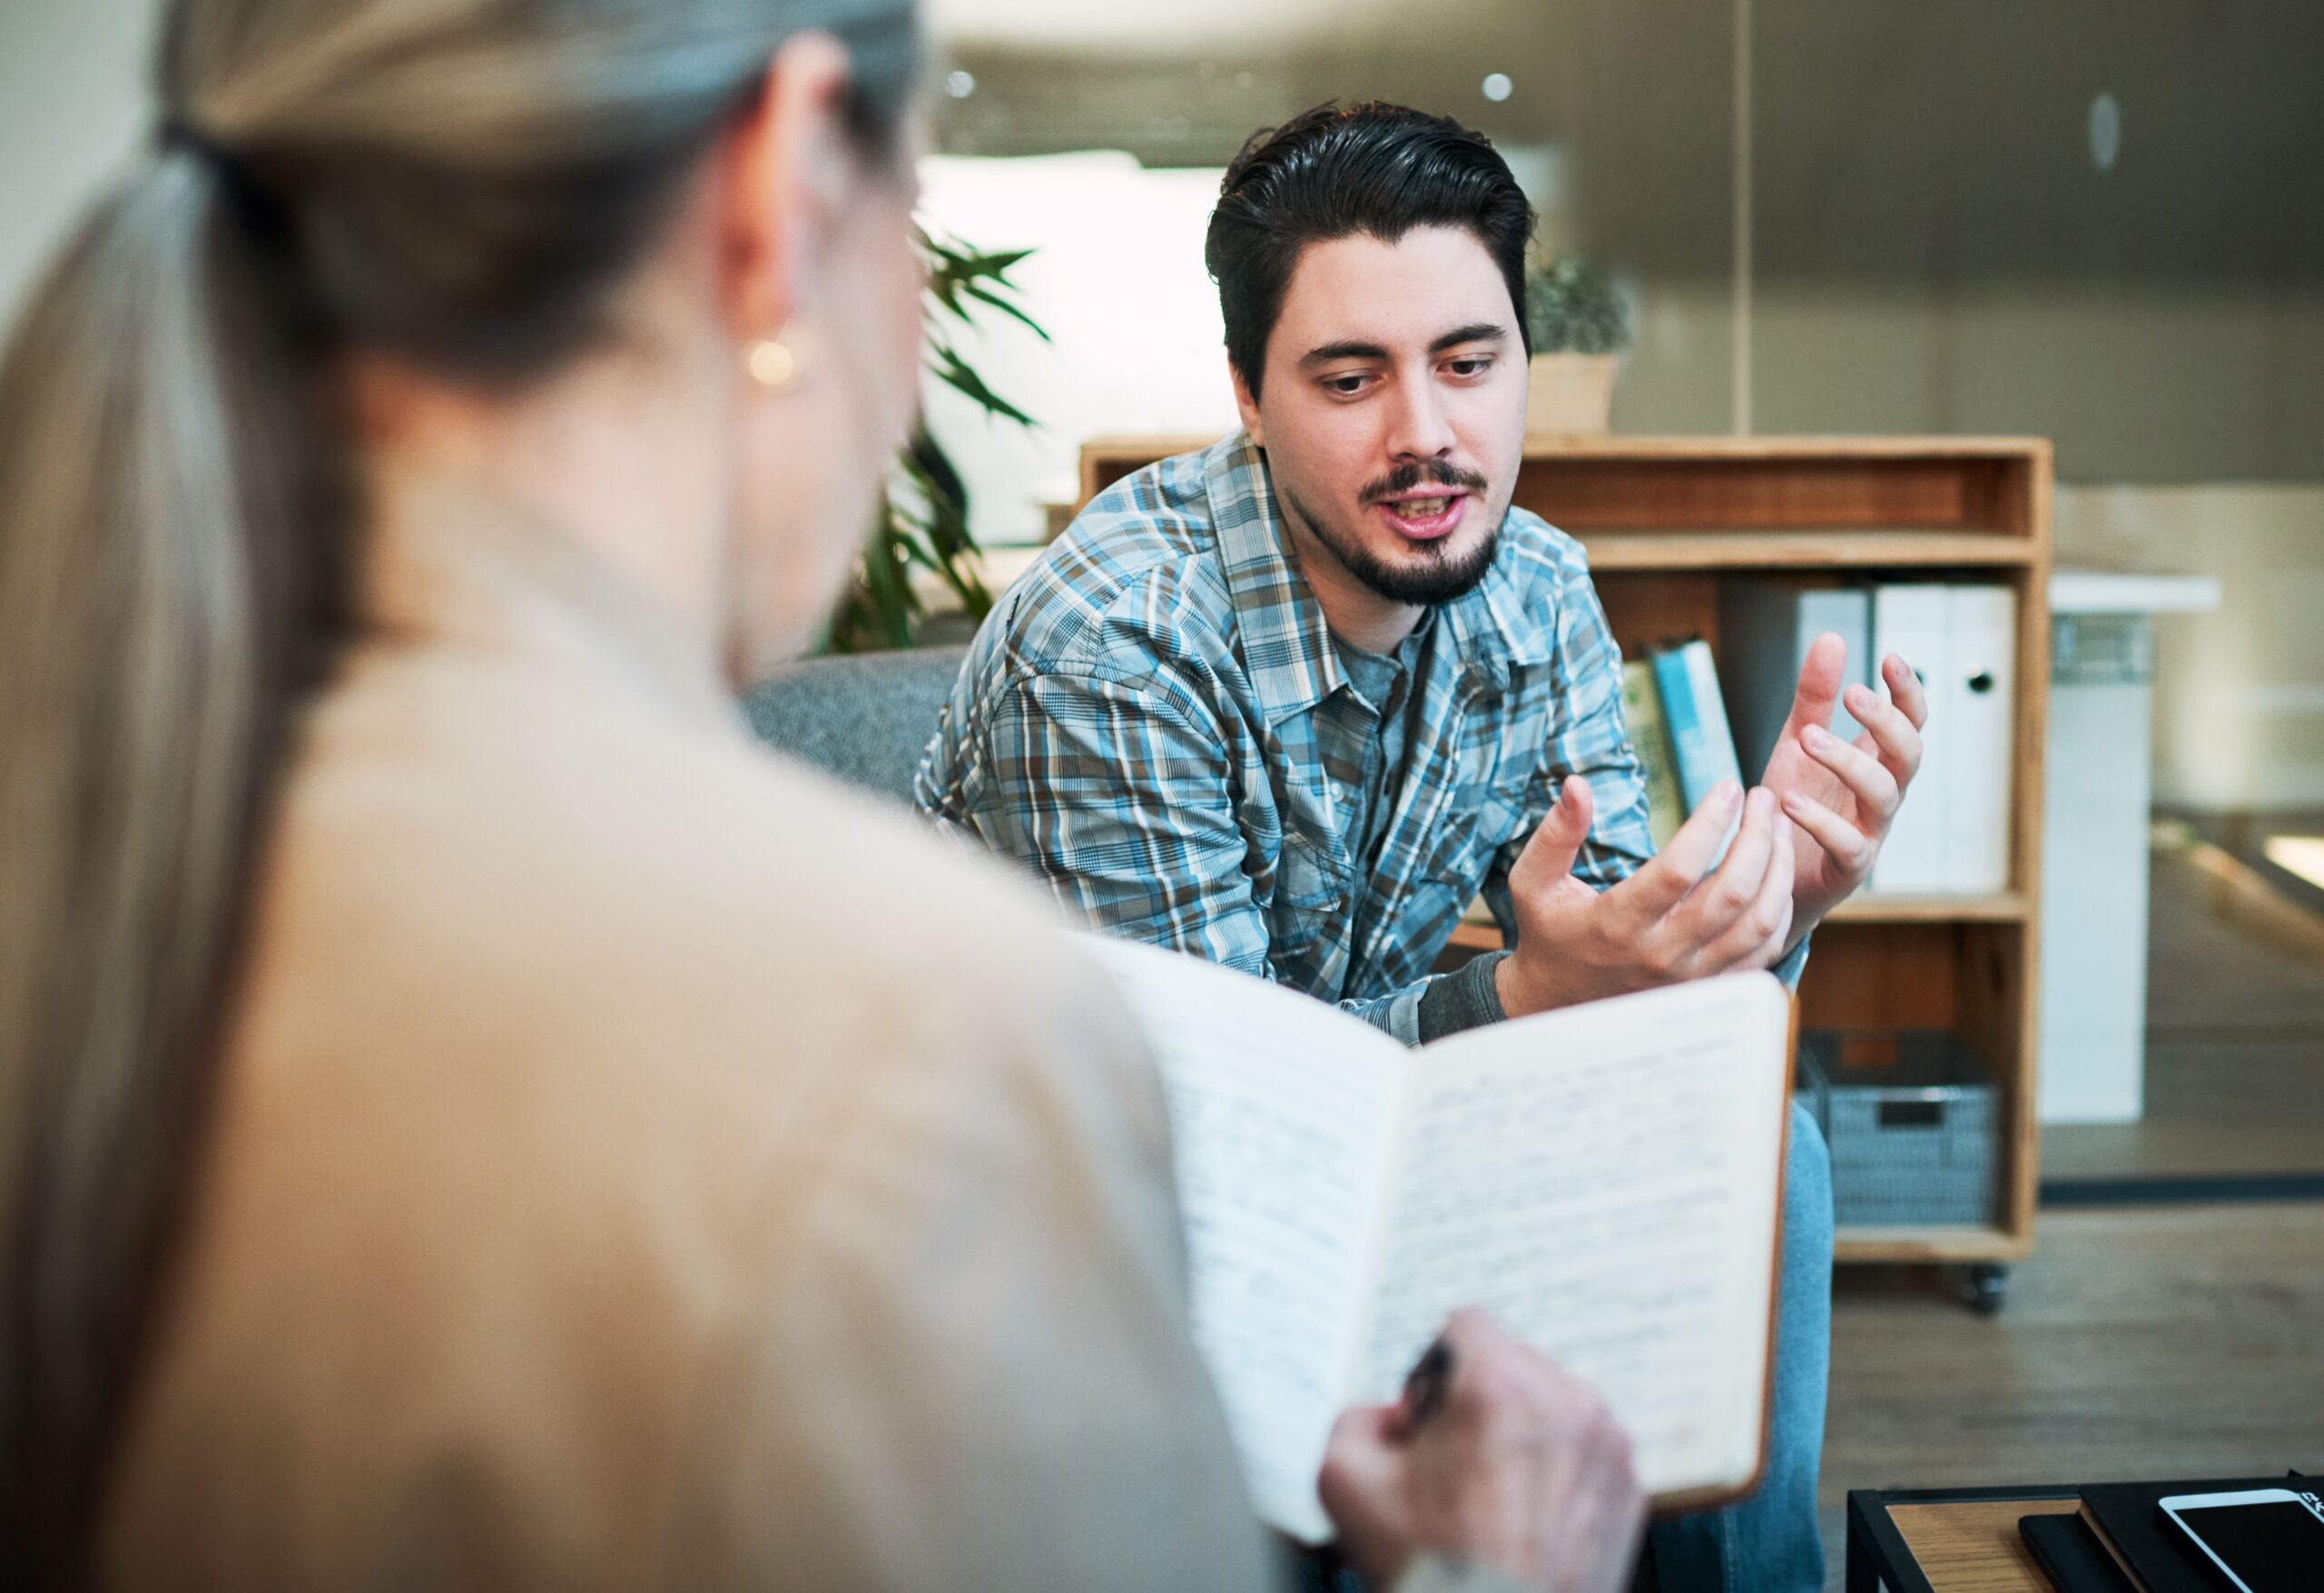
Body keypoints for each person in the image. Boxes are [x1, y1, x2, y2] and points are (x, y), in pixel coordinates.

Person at [0, 7, 1653, 1590]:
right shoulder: (937, 1050)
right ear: (786, 196)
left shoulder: (115, 837)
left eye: (1468, 359)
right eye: (916, 210)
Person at [918, 102, 1930, 1593]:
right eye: (1350, 377)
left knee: (1757, 1142)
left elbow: (1633, 1009)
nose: (1429, 436)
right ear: (1248, 397)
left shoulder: (1534, 593)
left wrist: (1757, 905)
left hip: (1351, 1145)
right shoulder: (1119, 639)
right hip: (1060, 1219)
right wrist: (1521, 1004)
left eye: (1469, 363)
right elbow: (1221, 1134)